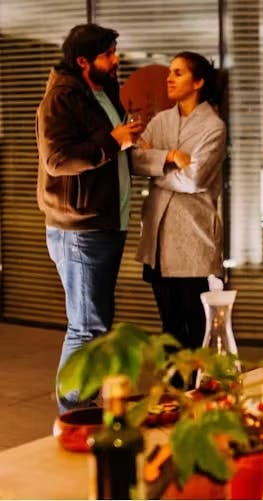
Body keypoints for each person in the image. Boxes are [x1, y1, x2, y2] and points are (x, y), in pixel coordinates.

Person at [36, 23, 143, 412]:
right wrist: (113, 142)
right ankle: (73, 411)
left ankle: (83, 403)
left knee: (96, 324)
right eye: (108, 54)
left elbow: (113, 146)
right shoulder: (61, 98)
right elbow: (58, 159)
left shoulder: (103, 91)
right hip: (79, 228)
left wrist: (128, 140)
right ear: (83, 61)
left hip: (104, 222)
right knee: (86, 327)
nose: (116, 59)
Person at [131, 52, 226, 349]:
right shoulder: (161, 120)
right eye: (170, 72)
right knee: (169, 328)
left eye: (178, 73)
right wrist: (171, 157)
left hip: (192, 243)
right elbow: (134, 160)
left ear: (198, 82)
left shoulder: (214, 127)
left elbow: (195, 179)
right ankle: (173, 392)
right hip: (158, 242)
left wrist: (156, 167)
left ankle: (197, 392)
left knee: (196, 330)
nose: (169, 78)